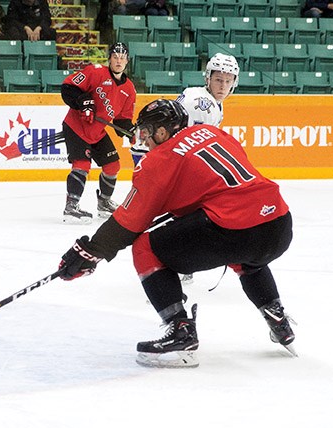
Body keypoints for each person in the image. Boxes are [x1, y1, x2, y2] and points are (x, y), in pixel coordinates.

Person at [58, 99, 295, 368]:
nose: (144, 140)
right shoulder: (213, 132)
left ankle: (180, 329)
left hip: (233, 229)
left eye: (147, 132)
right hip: (278, 223)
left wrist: (91, 251)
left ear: (162, 131)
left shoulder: (158, 159)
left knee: (146, 247)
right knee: (244, 253)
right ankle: (277, 317)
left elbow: (130, 221)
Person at [130, 52, 240, 285]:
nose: (223, 85)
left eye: (228, 80)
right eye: (218, 79)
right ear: (208, 78)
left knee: (185, 214)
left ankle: (175, 262)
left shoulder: (205, 99)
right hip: (170, 163)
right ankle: (172, 264)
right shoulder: (203, 102)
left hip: (167, 162)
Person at [60, 42, 136, 224]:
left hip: (97, 131)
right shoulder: (95, 72)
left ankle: (104, 203)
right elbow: (68, 88)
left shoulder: (129, 90)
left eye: (122, 58)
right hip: (76, 126)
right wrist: (84, 102)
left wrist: (130, 130)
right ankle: (71, 207)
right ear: (109, 58)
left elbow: (121, 120)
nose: (118, 61)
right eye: (115, 57)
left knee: (113, 166)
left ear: (127, 61)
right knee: (82, 164)